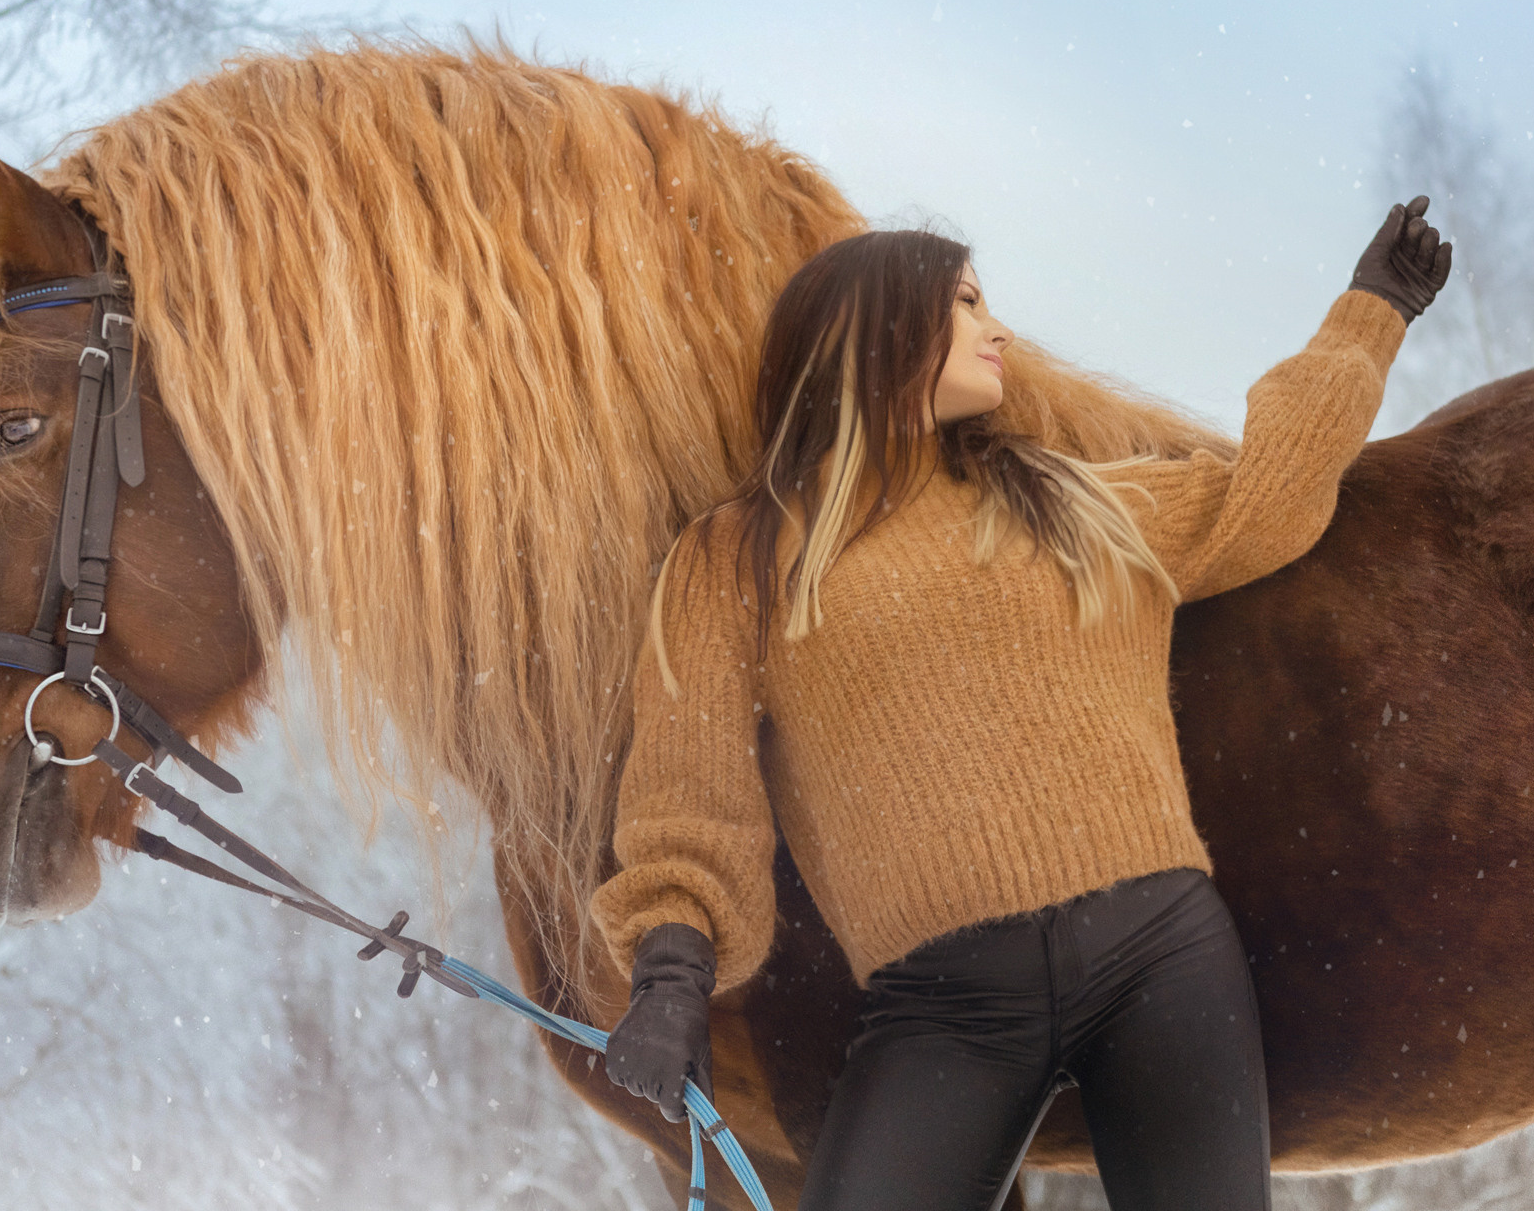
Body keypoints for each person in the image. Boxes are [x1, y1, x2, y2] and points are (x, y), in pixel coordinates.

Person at [590, 200, 1451, 1210]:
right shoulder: (737, 557)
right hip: (944, 1004)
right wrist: (672, 973)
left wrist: (1369, 314)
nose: (996, 328)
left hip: (1161, 958)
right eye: (964, 302)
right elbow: (692, 789)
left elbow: (1265, 503)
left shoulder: (1064, 500)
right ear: (878, 330)